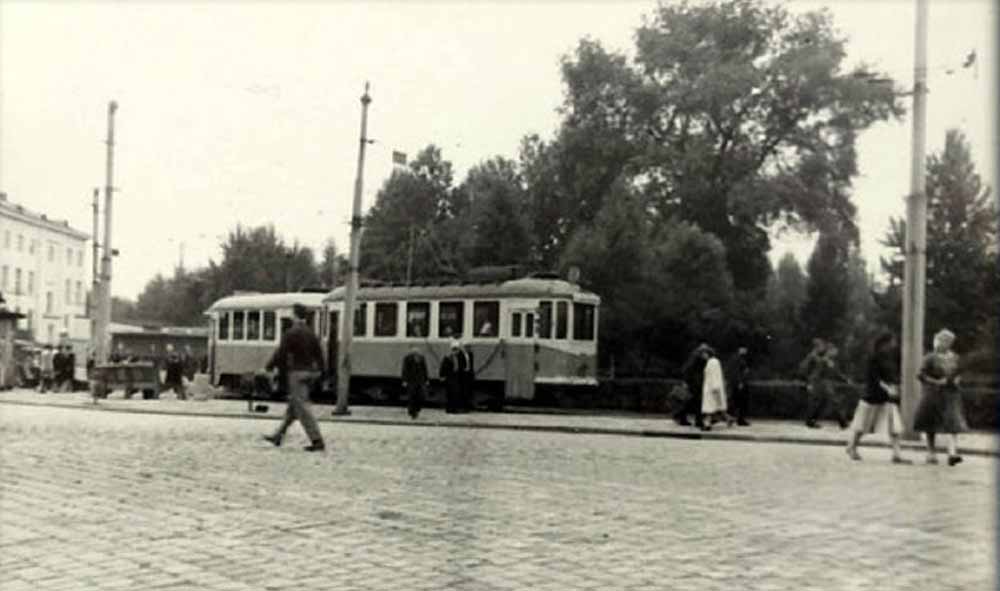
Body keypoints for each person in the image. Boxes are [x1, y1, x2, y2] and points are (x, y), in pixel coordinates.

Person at [261, 303, 326, 452]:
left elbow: (281, 353)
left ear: (295, 315)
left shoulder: (292, 333)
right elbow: (319, 354)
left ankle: (317, 440)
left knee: (302, 408)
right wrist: (322, 371)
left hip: (297, 372)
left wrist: (268, 368)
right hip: (311, 373)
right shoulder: (311, 333)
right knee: (293, 408)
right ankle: (278, 435)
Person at [845, 333, 911, 464]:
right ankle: (852, 446)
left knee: (894, 427)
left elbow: (892, 375)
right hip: (873, 396)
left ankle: (896, 454)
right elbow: (874, 378)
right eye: (892, 342)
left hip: (887, 398)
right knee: (862, 425)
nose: (894, 345)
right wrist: (887, 388)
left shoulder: (890, 358)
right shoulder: (873, 358)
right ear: (884, 343)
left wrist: (895, 386)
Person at [914, 329, 967, 466]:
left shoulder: (954, 357)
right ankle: (931, 452)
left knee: (953, 422)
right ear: (938, 341)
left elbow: (959, 372)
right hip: (933, 394)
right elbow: (920, 375)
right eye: (944, 340)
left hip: (951, 394)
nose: (947, 343)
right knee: (930, 423)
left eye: (949, 341)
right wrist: (936, 381)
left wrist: (957, 380)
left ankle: (952, 453)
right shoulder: (930, 357)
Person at [675, 343, 710, 429]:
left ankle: (681, 416)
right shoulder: (696, 359)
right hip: (694, 384)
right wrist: (686, 382)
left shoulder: (696, 359)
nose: (706, 354)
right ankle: (697, 421)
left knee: (693, 402)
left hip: (695, 383)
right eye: (705, 352)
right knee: (697, 402)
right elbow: (688, 370)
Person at [701, 347, 733, 430]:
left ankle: (707, 425)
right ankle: (728, 419)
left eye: (704, 353)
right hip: (712, 388)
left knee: (709, 409)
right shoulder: (713, 362)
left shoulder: (712, 362)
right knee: (717, 407)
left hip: (711, 389)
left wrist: (715, 387)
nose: (702, 355)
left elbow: (714, 375)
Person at [439, 339, 468, 414]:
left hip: (457, 377)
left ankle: (455, 409)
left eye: (457, 350)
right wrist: (442, 376)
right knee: (450, 394)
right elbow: (443, 367)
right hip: (450, 377)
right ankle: (449, 409)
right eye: (454, 350)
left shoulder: (460, 357)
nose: (456, 351)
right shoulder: (448, 357)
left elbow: (464, 365)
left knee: (456, 393)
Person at [401, 346, 429, 419]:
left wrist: (426, 379)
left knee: (422, 396)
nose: (416, 352)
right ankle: (412, 412)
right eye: (414, 351)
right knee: (412, 397)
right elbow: (405, 370)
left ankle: (417, 409)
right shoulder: (407, 358)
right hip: (411, 380)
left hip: (421, 380)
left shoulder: (422, 358)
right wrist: (404, 380)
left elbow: (424, 369)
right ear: (412, 352)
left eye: (417, 351)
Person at [726, 347, 751, 426]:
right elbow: (737, 372)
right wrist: (740, 382)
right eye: (743, 349)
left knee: (737, 402)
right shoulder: (737, 359)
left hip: (738, 383)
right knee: (740, 402)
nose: (745, 350)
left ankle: (734, 418)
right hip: (739, 384)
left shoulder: (738, 358)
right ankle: (738, 419)